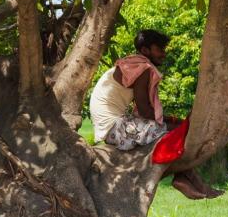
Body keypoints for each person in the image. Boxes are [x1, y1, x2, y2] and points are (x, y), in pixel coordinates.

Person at [89, 29, 221, 199]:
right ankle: (184, 177)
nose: (163, 54)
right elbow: (144, 110)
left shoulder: (133, 64)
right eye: (159, 49)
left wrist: (172, 120)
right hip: (115, 128)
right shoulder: (143, 68)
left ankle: (186, 177)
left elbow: (145, 113)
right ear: (145, 51)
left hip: (115, 126)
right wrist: (173, 123)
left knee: (174, 126)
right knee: (173, 132)